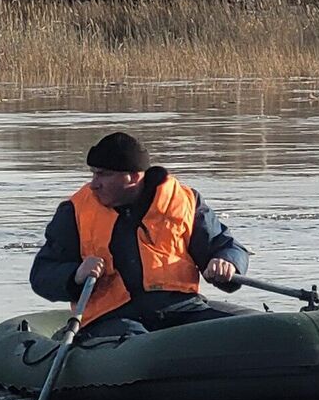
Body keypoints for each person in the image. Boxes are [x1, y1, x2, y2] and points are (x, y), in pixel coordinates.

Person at [30, 131, 248, 340]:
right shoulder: (75, 210)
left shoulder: (183, 201)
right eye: (93, 174)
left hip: (181, 310)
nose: (94, 184)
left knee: (240, 332)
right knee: (135, 340)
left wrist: (226, 261)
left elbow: (223, 244)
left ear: (133, 176)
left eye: (104, 174)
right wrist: (75, 275)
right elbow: (42, 274)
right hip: (111, 318)